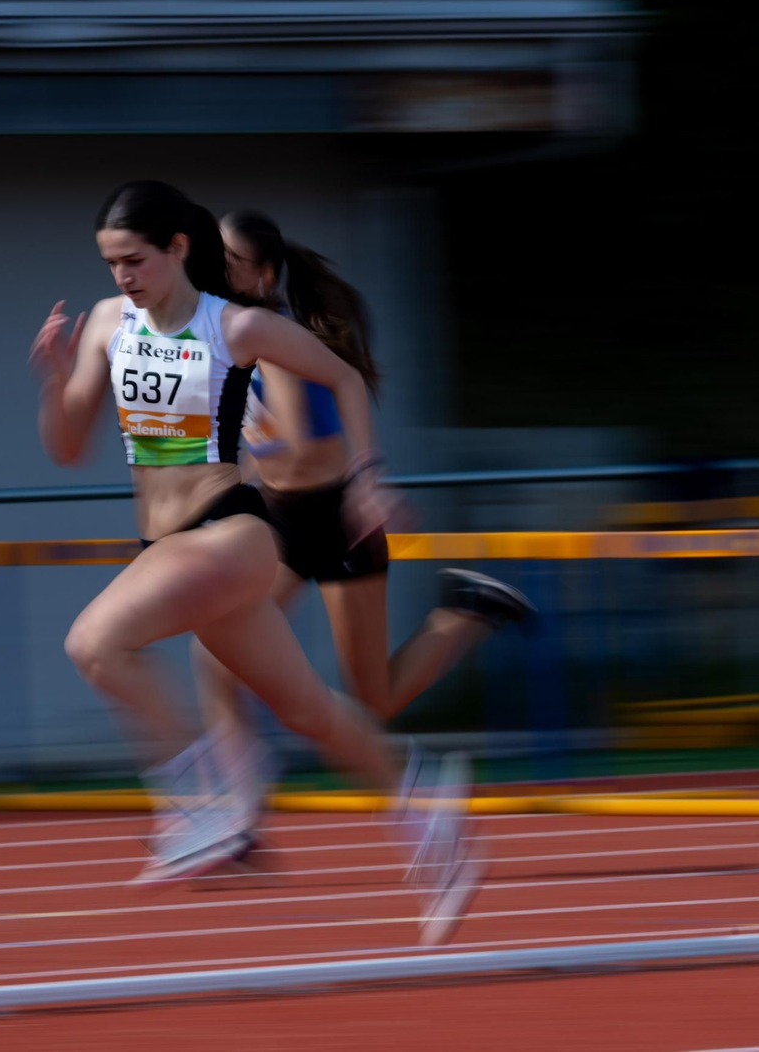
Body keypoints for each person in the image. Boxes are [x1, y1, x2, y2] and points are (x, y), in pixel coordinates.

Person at [28, 180, 480, 944]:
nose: (122, 276)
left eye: (135, 259)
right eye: (110, 263)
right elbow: (68, 449)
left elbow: (342, 376)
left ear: (177, 248)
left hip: (227, 532)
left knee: (94, 644)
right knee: (308, 711)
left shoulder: (234, 325)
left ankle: (201, 808)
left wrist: (368, 478)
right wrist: (53, 379)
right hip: (168, 544)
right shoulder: (110, 323)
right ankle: (428, 809)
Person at [189, 208, 537, 831]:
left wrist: (360, 484)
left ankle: (470, 610)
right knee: (214, 652)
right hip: (280, 521)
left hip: (336, 519)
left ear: (262, 277)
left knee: (373, 697)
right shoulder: (226, 337)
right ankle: (238, 808)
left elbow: (296, 445)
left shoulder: (272, 340)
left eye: (229, 261)